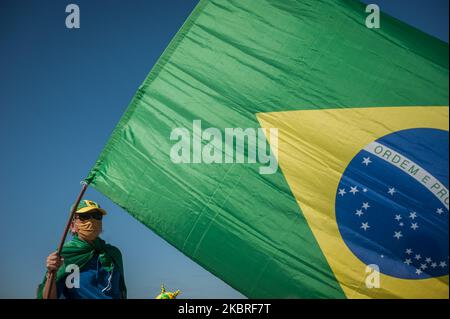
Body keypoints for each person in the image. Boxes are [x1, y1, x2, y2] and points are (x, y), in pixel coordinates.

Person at [37, 200, 127, 299]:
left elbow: (120, 291)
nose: (92, 221)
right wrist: (51, 273)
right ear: (72, 226)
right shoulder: (63, 255)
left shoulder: (113, 253)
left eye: (97, 216)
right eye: (84, 216)